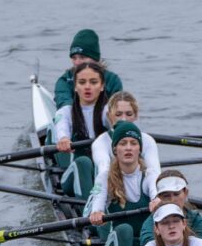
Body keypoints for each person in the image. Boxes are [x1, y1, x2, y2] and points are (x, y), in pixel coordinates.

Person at [85, 92, 161, 218]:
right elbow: (104, 169)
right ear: (109, 116)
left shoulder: (147, 140)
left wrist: (157, 198)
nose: (124, 119)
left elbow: (155, 172)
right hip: (107, 192)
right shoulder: (100, 143)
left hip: (140, 185)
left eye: (129, 114)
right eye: (118, 114)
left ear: (136, 115)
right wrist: (97, 210)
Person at [89, 120, 152, 246]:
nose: (128, 147)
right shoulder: (105, 177)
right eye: (123, 143)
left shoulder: (150, 176)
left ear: (140, 149)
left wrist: (157, 200)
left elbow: (156, 192)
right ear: (115, 149)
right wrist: (97, 212)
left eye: (133, 143)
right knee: (124, 229)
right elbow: (98, 199)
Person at [52, 61, 109, 202]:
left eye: (93, 82)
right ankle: (90, 214)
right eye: (82, 82)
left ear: (102, 86)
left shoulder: (109, 111)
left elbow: (118, 125)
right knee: (83, 162)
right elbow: (62, 126)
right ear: (75, 87)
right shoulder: (66, 112)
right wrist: (64, 139)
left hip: (102, 171)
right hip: (72, 176)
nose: (87, 87)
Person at [54, 29, 123, 109]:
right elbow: (63, 102)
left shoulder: (112, 80)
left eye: (82, 57)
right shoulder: (65, 80)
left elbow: (117, 109)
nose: (77, 62)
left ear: (95, 59)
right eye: (74, 58)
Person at [139, 169, 202, 246]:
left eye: (176, 194)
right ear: (159, 198)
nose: (172, 200)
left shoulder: (195, 218)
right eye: (166, 196)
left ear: (186, 193)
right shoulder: (151, 222)